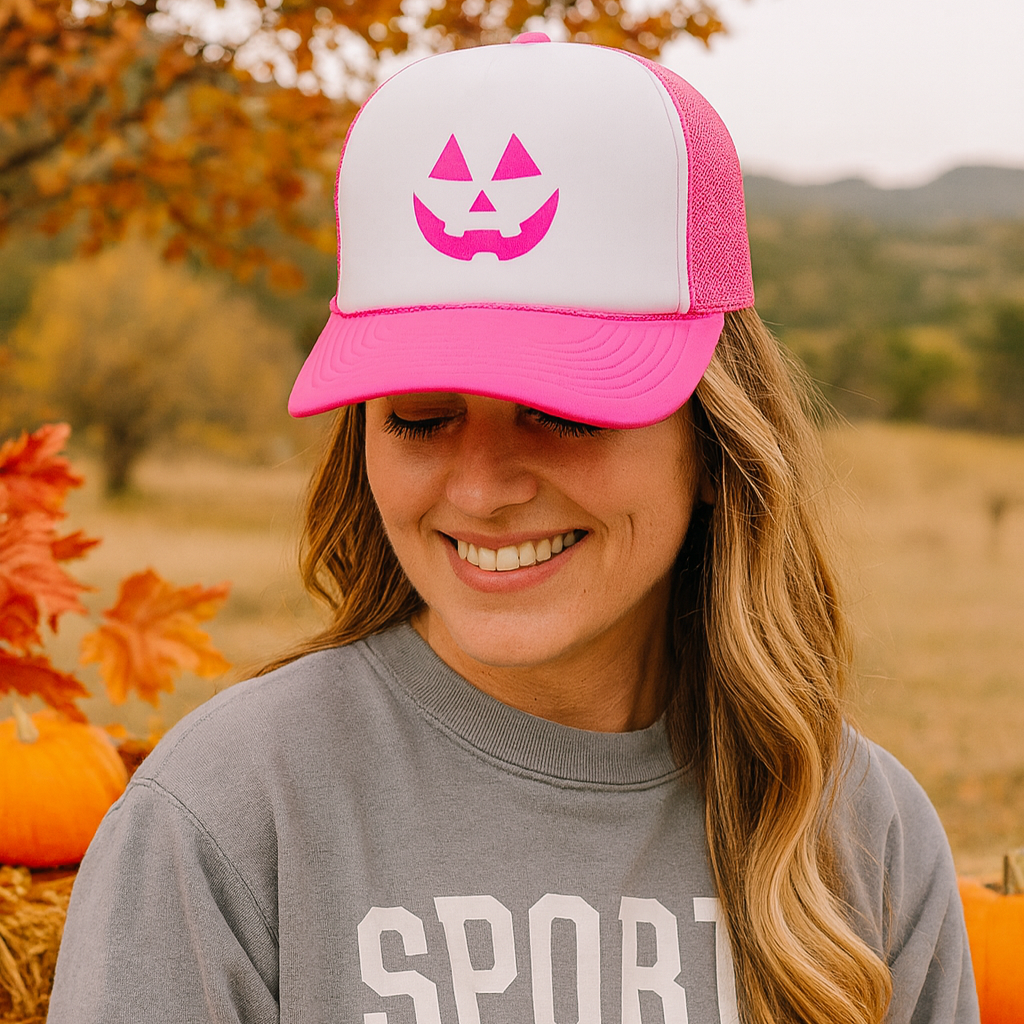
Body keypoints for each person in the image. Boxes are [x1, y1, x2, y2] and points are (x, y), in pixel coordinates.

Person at [49, 36, 978, 1024]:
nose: (483, 491)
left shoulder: (861, 832)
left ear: (712, 442)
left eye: (565, 410)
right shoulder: (226, 819)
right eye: (419, 417)